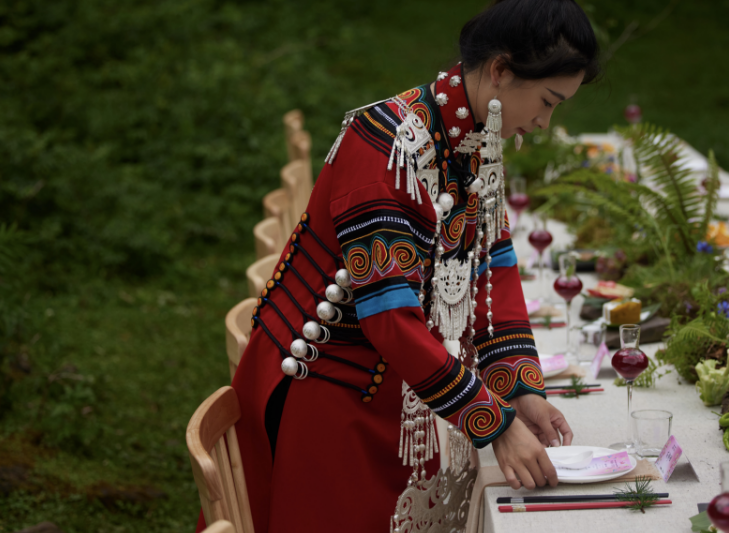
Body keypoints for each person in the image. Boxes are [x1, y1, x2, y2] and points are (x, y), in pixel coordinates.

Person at [203, 1, 600, 530]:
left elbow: (492, 271)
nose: (546, 123)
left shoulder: (475, 140)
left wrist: (519, 388)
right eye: (548, 102)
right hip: (326, 397)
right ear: (501, 70)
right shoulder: (386, 146)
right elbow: (388, 315)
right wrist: (494, 423)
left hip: (403, 388)